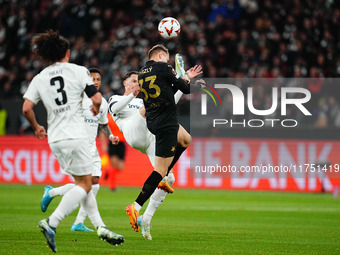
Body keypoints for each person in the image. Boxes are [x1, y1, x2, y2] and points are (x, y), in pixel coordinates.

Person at [22, 30, 124, 252]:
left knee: (86, 183)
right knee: (86, 185)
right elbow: (96, 99)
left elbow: (27, 108)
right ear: (67, 52)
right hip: (76, 135)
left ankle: (99, 227)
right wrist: (97, 108)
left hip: (55, 139)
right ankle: (52, 222)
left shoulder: (40, 77)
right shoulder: (78, 71)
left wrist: (37, 127)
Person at [125, 44, 202, 235]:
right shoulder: (163, 67)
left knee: (185, 139)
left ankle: (163, 177)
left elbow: (168, 87)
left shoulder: (143, 72)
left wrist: (181, 77)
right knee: (159, 171)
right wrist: (189, 81)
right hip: (166, 122)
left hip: (154, 119)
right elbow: (185, 89)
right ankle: (135, 206)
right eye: (166, 58)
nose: (168, 62)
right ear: (160, 55)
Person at [39, 67, 120, 233]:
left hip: (91, 147)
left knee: (93, 183)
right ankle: (54, 197)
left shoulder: (102, 102)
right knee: (85, 185)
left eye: (98, 79)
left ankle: (75, 219)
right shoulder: (76, 98)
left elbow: (103, 124)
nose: (96, 82)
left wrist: (110, 135)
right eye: (93, 79)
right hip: (76, 146)